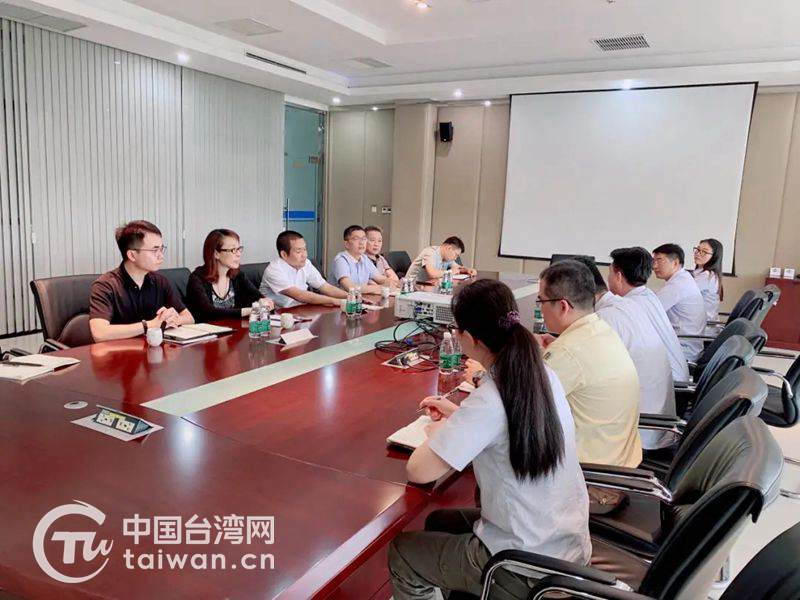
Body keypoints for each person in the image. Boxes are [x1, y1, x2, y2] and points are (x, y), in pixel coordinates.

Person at [388, 279, 590, 600]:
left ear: (470, 338)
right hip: (564, 548)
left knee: (402, 553)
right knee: (440, 521)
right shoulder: (540, 374)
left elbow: (419, 471)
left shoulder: (491, 398)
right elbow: (510, 425)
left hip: (523, 568)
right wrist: (459, 416)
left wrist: (439, 432)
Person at [536, 260, 642, 467]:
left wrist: (483, 374)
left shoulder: (568, 351)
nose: (540, 308)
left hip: (590, 472)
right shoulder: (601, 329)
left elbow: (518, 404)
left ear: (563, 306)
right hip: (620, 458)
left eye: (541, 301)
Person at [573, 257, 676, 450]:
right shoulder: (627, 306)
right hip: (655, 421)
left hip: (640, 433)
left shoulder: (604, 319)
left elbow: (576, 373)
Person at [89, 220, 194, 342]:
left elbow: (189, 318)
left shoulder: (160, 281)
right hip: (119, 351)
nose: (161, 256)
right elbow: (100, 333)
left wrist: (170, 319)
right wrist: (150, 324)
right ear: (132, 255)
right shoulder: (105, 286)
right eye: (154, 250)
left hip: (153, 350)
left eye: (161, 249)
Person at [608, 247, 691, 383]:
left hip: (672, 382)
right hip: (672, 375)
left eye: (610, 273)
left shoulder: (629, 307)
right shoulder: (647, 296)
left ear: (618, 276)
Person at [185, 229, 273, 322]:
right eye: (233, 250)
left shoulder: (238, 276)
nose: (238, 254)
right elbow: (209, 312)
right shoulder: (197, 279)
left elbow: (257, 297)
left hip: (235, 328)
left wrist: (265, 302)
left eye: (239, 249)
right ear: (216, 253)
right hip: (207, 330)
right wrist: (250, 310)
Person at [261, 230, 348, 308]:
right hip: (277, 314)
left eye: (305, 249)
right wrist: (335, 301)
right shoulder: (274, 270)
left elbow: (325, 287)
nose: (304, 255)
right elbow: (300, 295)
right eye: (298, 251)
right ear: (284, 254)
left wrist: (351, 296)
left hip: (301, 309)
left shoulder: (306, 263)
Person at [652, 243, 706, 361]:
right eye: (653, 261)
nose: (654, 266)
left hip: (682, 349)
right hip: (686, 343)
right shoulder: (682, 278)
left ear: (675, 263)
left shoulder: (678, 285)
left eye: (659, 260)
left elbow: (648, 311)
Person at [329, 225, 394, 294]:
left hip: (360, 298)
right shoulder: (341, 260)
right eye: (356, 239)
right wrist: (379, 288)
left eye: (364, 239)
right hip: (340, 299)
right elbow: (350, 288)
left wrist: (390, 283)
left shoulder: (364, 259)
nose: (361, 242)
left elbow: (380, 279)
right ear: (347, 244)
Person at [405, 236, 478, 282]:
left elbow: (457, 268)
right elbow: (432, 274)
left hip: (428, 287)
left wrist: (468, 270)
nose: (455, 258)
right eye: (456, 255)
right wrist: (450, 272)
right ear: (449, 248)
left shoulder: (447, 258)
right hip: (412, 288)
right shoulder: (430, 252)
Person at [691, 238, 724, 322]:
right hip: (699, 322)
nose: (698, 253)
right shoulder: (700, 273)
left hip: (704, 326)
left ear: (714, 257)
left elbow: (681, 292)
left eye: (704, 252)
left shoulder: (707, 276)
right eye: (698, 249)